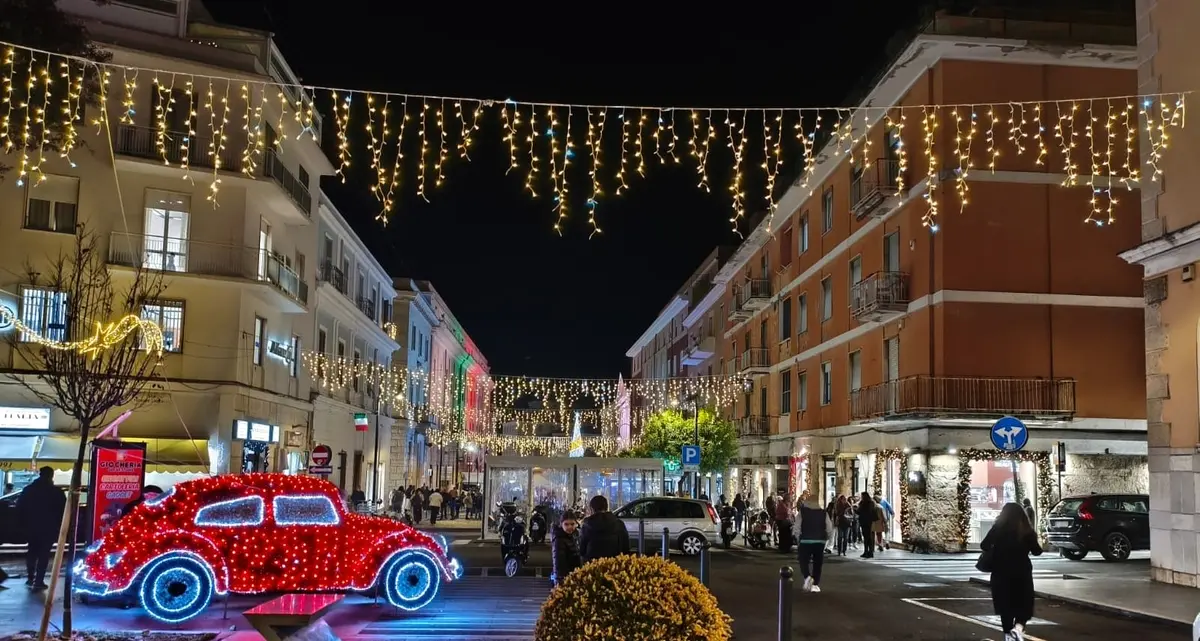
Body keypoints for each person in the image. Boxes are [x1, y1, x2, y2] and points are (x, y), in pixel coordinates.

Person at [981, 502, 1043, 640]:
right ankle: (1018, 628)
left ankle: (1008, 634)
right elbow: (1037, 551)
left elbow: (984, 545)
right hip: (1022, 571)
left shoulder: (998, 528)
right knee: (1024, 604)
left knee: (1005, 606)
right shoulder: (1026, 531)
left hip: (1001, 571)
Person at [16, 467, 66, 590]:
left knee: (32, 552)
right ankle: (39, 580)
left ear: (40, 474)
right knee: (44, 554)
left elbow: (20, 508)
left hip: (31, 527)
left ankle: (30, 578)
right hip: (48, 527)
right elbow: (63, 510)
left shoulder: (29, 490)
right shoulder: (56, 492)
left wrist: (23, 524)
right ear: (51, 475)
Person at [795, 491, 829, 593]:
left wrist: (798, 538)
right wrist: (826, 539)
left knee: (803, 560)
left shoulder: (803, 512)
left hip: (805, 540)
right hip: (819, 541)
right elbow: (829, 528)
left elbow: (797, 527)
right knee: (817, 563)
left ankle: (807, 576)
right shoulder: (824, 513)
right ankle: (815, 584)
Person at [578, 495, 629, 562]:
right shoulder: (618, 523)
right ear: (606, 507)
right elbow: (625, 547)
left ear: (591, 509)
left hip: (592, 566)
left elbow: (582, 550)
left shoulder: (587, 525)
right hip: (613, 564)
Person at [550, 510, 582, 586]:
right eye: (566, 524)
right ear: (561, 524)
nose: (570, 527)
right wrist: (560, 581)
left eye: (572, 524)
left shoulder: (575, 536)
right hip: (565, 579)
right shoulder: (559, 539)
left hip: (574, 576)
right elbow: (558, 562)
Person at [856, 492, 877, 558]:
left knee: (866, 537)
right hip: (869, 522)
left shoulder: (863, 503)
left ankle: (866, 552)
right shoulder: (871, 503)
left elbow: (860, 512)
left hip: (864, 522)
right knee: (869, 537)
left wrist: (855, 510)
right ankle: (870, 552)